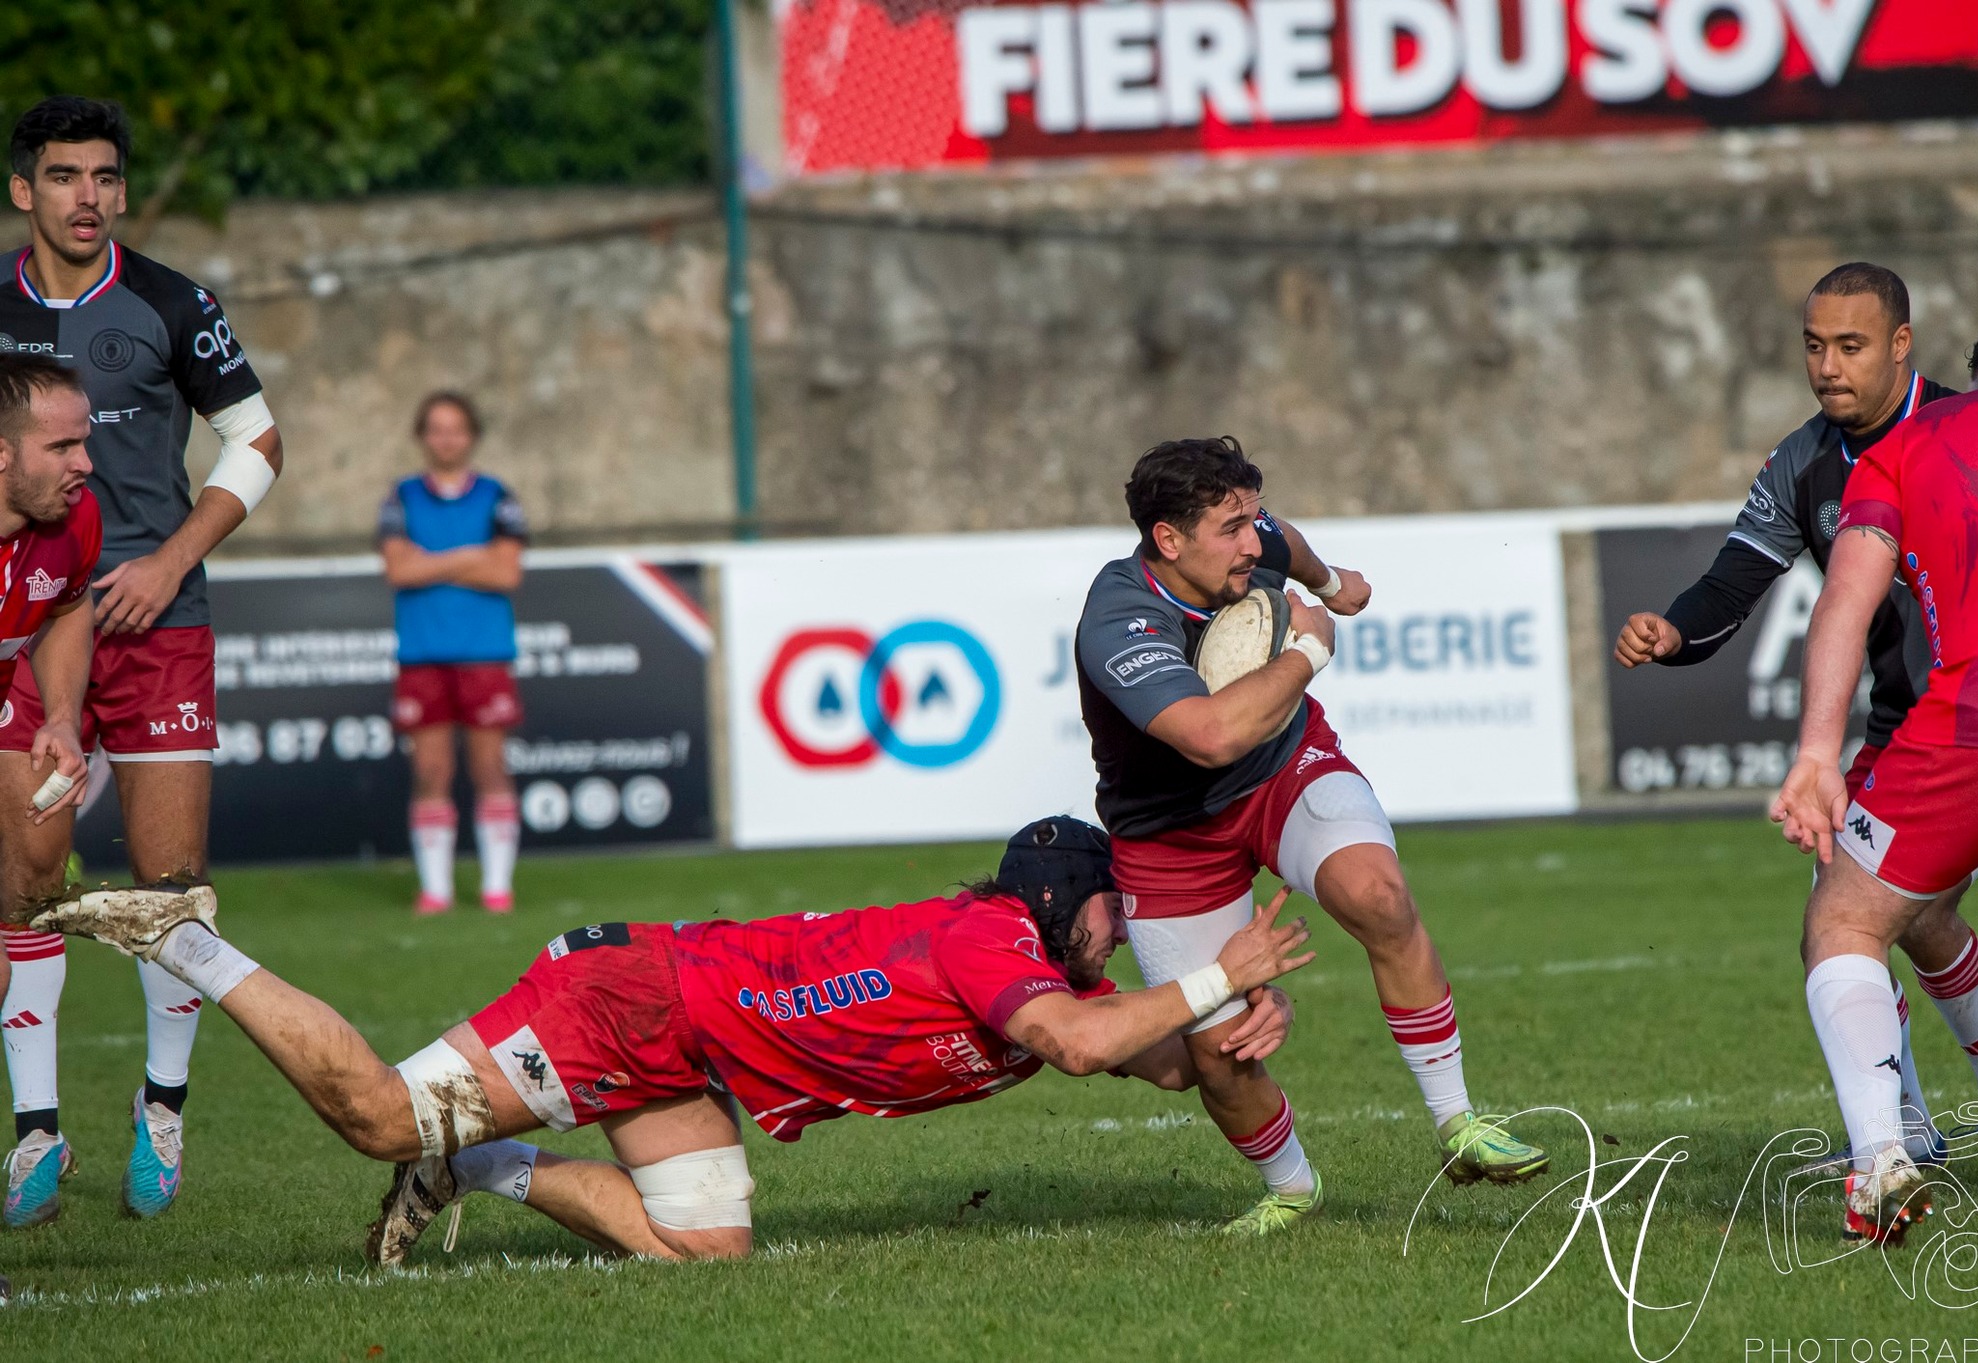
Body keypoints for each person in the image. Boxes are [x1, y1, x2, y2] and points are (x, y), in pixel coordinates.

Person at [23, 816, 1312, 1264]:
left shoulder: (1036, 971)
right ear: (1053, 898)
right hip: (627, 1002)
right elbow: (1093, 1046)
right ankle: (183, 939)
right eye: (1109, 906)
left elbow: (1141, 1045)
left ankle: (476, 1170)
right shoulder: (993, 944)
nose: (1121, 930)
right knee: (372, 1113)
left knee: (706, 1248)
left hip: (686, 1051)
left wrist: (1233, 1022)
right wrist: (1216, 973)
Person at [1615, 264, 1978, 1175]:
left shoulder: (1967, 427)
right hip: (1909, 722)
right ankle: (1944, 1127)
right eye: (1814, 346)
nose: (1828, 367)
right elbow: (1738, 574)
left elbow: (1846, 604)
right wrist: (1676, 628)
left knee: (1852, 916)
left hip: (1968, 716)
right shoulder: (1803, 461)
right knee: (1894, 916)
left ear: (1900, 344)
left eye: (1850, 346)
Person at [1073, 436, 1548, 1236]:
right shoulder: (1120, 617)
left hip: (1281, 772)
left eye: (1252, 518)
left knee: (1378, 894)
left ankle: (1460, 1122)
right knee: (1219, 1052)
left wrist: (1331, 581)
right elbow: (1210, 736)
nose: (1252, 541)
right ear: (1168, 539)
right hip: (1168, 833)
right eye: (1231, 527)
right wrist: (1310, 648)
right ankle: (1294, 1188)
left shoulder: (1249, 541)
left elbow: (1285, 540)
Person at [0, 96, 282, 1223]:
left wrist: (168, 561)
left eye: (106, 177)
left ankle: (160, 1110)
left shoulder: (172, 302)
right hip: (29, 625)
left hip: (158, 624)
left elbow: (257, 438)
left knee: (171, 890)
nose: (88, 197)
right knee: (26, 878)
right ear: (24, 189)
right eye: (64, 175)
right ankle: (35, 1134)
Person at [1771, 301, 1978, 1243]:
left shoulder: (1929, 434)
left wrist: (1817, 754)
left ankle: (1885, 1160)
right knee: (1920, 910)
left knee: (1846, 916)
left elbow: (1846, 603)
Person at [0, 357, 102, 1225]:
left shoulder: (71, 521)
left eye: (85, 439)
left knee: (34, 886)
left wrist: (62, 714)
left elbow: (68, 606)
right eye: (61, 444)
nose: (85, 462)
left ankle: (37, 1132)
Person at [378, 392, 526, 915]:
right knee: (431, 771)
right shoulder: (400, 498)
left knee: (490, 767)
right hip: (422, 655)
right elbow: (398, 570)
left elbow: (506, 573)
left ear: (471, 435)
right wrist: (470, 556)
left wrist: (432, 561)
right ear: (423, 436)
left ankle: (496, 889)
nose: (446, 438)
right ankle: (436, 892)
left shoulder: (498, 496)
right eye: (436, 429)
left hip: (484, 652)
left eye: (455, 428)